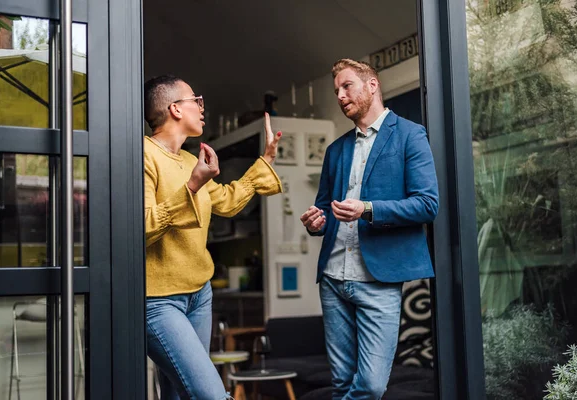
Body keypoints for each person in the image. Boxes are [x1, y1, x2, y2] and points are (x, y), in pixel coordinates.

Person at [300, 59, 439, 399]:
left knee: (372, 386)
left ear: (372, 85)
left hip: (378, 280)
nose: (340, 96)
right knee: (342, 384)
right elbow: (324, 209)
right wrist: (315, 223)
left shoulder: (410, 135)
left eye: (347, 86)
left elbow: (427, 204)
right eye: (336, 91)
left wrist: (368, 209)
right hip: (333, 278)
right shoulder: (335, 150)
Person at [143, 74, 282, 399]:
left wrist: (266, 161)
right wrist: (191, 185)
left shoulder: (192, 159)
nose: (202, 106)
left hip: (199, 294)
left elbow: (226, 202)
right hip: (159, 301)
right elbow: (141, 227)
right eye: (196, 99)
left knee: (179, 394)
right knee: (210, 393)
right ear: (175, 108)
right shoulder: (144, 156)